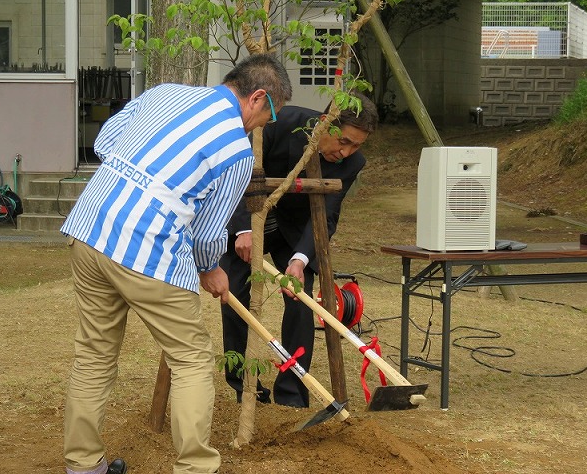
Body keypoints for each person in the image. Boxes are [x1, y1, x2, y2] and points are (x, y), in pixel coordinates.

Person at [60, 53, 292, 474]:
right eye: (267, 116)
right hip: (147, 250)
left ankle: (82, 464)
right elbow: (206, 233)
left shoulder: (165, 94)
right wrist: (210, 269)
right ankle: (195, 468)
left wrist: (140, 175)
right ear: (257, 97)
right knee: (191, 360)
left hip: (90, 228)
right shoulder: (236, 151)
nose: (262, 126)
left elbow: (105, 142)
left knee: (94, 353)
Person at [220, 91, 378, 408]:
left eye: (357, 146)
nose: (347, 152)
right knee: (234, 293)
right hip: (249, 217)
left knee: (300, 300)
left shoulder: (352, 163)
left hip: (295, 231)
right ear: (324, 124)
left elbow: (327, 214)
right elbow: (235, 175)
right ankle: (243, 383)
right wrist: (245, 228)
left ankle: (293, 391)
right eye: (344, 141)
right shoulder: (278, 124)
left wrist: (300, 259)